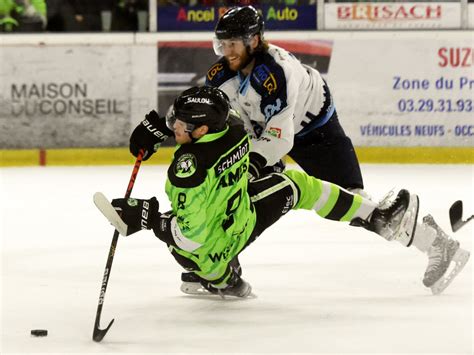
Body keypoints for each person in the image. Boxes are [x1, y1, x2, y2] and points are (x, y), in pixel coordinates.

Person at [101, 86, 469, 298]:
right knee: (295, 184)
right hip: (229, 228)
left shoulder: (188, 171)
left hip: (208, 248)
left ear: (199, 131)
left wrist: (149, 218)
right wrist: (161, 129)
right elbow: (210, 116)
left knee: (287, 189)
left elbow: (189, 236)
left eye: (182, 125)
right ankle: (222, 278)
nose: (175, 126)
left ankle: (220, 278)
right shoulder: (229, 127)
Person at [206, 6, 364, 193]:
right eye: (222, 44)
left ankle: (381, 216)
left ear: (254, 41)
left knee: (350, 193)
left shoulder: (278, 71)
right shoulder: (219, 77)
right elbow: (237, 126)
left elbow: (280, 136)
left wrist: (253, 164)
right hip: (266, 123)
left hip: (312, 124)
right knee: (253, 191)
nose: (227, 51)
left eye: (233, 44)